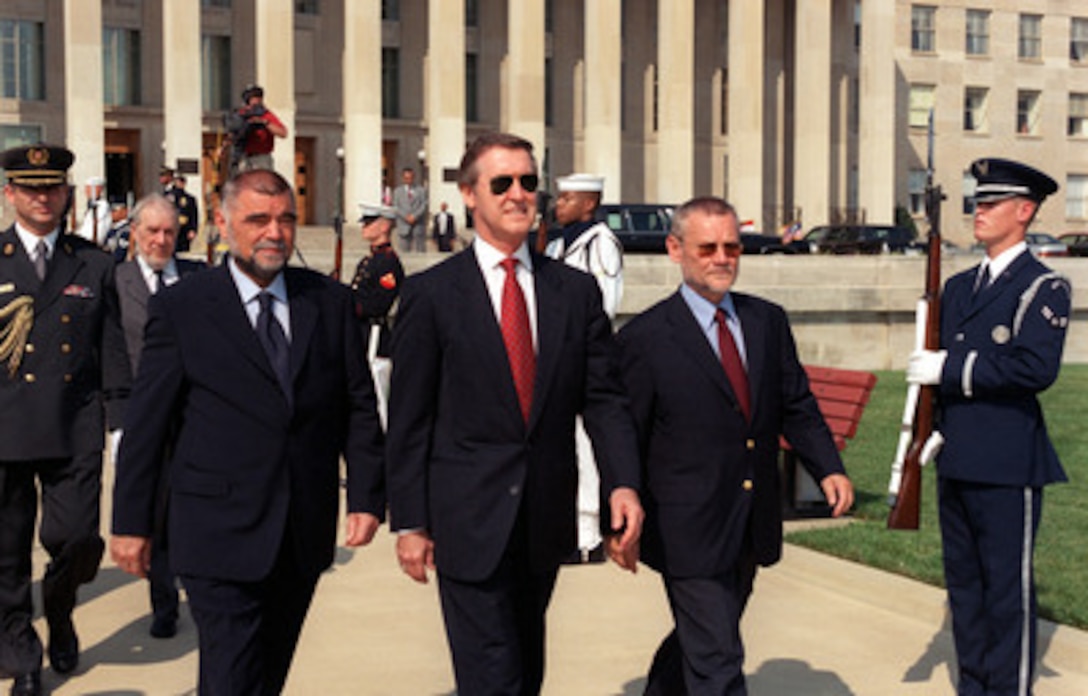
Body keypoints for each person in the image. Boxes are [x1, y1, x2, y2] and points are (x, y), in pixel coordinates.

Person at [386, 131, 644, 696]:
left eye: (528, 182)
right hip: (465, 521)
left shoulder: (573, 294)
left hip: (541, 521)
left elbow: (604, 400)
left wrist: (623, 483)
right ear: (469, 196)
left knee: (526, 668)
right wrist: (410, 521)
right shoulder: (432, 296)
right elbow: (409, 421)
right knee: (492, 675)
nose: (519, 194)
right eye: (501, 183)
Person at [109, 169, 385, 695]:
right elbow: (149, 423)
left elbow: (358, 405)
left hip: (301, 527)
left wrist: (368, 496)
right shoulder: (183, 308)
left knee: (268, 671)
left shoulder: (327, 302)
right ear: (222, 223)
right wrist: (130, 522)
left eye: (285, 219)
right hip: (216, 529)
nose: (274, 233)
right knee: (231, 673)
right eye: (257, 220)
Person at [617, 196, 854, 695]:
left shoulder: (767, 322)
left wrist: (827, 466)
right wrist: (619, 511)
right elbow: (625, 434)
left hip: (751, 519)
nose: (722, 258)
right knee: (721, 659)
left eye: (732, 247)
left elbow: (797, 404)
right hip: (686, 527)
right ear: (675, 249)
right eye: (708, 248)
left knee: (701, 642)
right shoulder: (645, 338)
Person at [906, 158, 1069, 696]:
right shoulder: (958, 288)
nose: (980, 211)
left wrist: (948, 368)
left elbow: (1032, 368)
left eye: (992, 203)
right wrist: (931, 424)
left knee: (1005, 591)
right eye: (978, 201)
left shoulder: (1043, 286)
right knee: (966, 588)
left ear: (1024, 212)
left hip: (1006, 460)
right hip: (957, 455)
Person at [0, 143, 130, 696]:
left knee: (76, 539)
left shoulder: (94, 263)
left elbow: (113, 348)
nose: (42, 196)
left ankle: (59, 607)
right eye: (30, 188)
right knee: (5, 555)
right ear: (9, 194)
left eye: (51, 187)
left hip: (73, 424)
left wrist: (122, 421)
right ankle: (22, 656)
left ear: (67, 193)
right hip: (4, 426)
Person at [113, 194, 205, 640]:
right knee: (156, 513)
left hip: (194, 416)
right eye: (152, 231)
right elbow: (109, 353)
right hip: (142, 417)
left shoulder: (199, 276)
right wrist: (115, 419)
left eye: (169, 231)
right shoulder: (117, 281)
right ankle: (163, 602)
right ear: (134, 233)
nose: (161, 240)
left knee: (194, 508)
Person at [546, 172, 624, 564]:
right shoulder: (561, 243)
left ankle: (590, 536)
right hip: (558, 358)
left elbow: (604, 304)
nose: (559, 206)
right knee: (567, 446)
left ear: (589, 204)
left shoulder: (601, 244)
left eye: (567, 199)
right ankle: (571, 529)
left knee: (587, 446)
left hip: (583, 358)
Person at [350, 203, 404, 358]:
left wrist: (347, 302)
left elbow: (378, 305)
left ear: (384, 227)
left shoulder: (388, 263)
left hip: (374, 337)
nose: (364, 227)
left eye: (369, 223)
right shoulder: (369, 260)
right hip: (360, 333)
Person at [224, 84, 287, 174]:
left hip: (261, 158)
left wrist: (265, 123)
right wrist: (225, 146)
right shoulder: (242, 114)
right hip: (243, 157)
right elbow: (233, 133)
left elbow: (283, 133)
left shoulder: (266, 114)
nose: (255, 100)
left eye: (258, 97)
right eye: (252, 97)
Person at [392, 167, 428, 253]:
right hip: (403, 225)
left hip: (418, 225)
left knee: (420, 251)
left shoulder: (421, 190)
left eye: (410, 178)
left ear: (414, 177)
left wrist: (414, 216)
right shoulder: (397, 191)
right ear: (403, 178)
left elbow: (424, 205)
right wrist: (406, 216)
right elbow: (396, 206)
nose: (409, 180)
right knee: (404, 252)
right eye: (406, 178)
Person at [167, 174, 199, 254]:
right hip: (171, 228)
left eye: (182, 181)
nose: (180, 183)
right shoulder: (168, 196)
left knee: (183, 253)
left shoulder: (190, 199)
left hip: (184, 230)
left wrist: (193, 229)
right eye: (178, 181)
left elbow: (193, 215)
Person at [75, 176, 110, 245]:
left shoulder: (102, 206)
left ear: (98, 189)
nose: (86, 192)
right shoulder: (90, 206)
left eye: (89, 189)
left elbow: (93, 230)